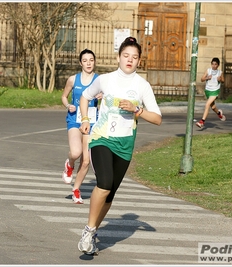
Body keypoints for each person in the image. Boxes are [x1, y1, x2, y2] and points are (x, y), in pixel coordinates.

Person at [77, 37, 162, 254]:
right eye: (126, 56)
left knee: (110, 193)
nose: (130, 60)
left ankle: (94, 231)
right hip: (102, 138)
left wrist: (137, 110)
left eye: (134, 57)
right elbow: (85, 98)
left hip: (125, 145)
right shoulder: (105, 80)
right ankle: (88, 231)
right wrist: (85, 120)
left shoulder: (142, 86)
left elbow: (158, 118)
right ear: (118, 57)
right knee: (104, 184)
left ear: (139, 61)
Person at [61, 49, 101, 204]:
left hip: (91, 122)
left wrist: (102, 97)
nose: (88, 63)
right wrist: (68, 105)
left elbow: (107, 99)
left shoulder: (100, 81)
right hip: (75, 120)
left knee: (86, 161)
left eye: (91, 60)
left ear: (94, 62)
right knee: (76, 152)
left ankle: (76, 190)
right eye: (85, 60)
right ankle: (69, 164)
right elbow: (64, 96)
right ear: (80, 63)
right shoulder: (73, 79)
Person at [196, 57, 226, 129]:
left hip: (215, 90)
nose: (214, 66)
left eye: (215, 64)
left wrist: (220, 79)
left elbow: (223, 81)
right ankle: (219, 114)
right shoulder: (208, 71)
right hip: (208, 90)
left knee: (207, 104)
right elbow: (202, 79)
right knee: (213, 107)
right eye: (212, 64)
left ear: (218, 65)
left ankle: (202, 121)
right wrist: (207, 78)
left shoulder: (220, 72)